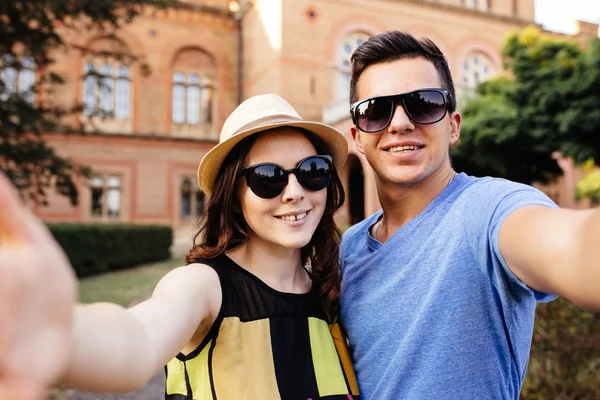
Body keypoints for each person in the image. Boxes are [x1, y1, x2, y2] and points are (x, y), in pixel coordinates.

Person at [0, 93, 360, 400]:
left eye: (312, 170)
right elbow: (138, 338)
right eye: (268, 178)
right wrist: (54, 332)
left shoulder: (330, 295)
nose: (295, 192)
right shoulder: (204, 287)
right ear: (233, 196)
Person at [339, 30, 600, 400]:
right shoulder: (348, 249)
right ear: (357, 136)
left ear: (453, 125)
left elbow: (570, 245)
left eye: (424, 103)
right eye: (376, 110)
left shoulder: (487, 208)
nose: (399, 123)